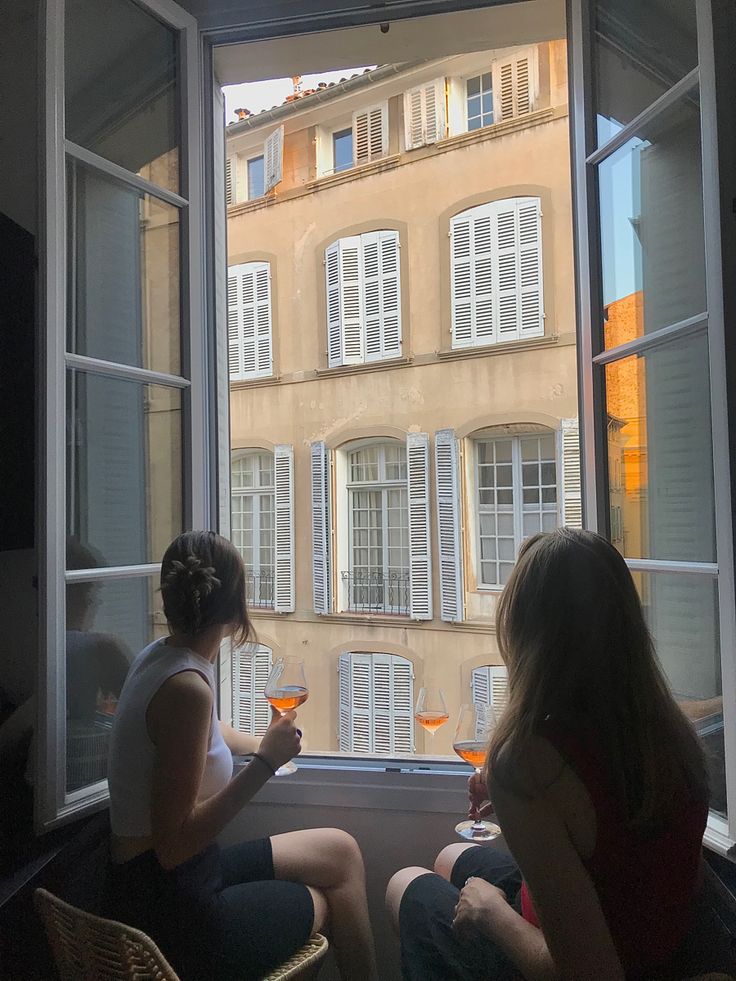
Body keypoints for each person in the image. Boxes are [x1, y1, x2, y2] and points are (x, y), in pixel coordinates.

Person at [386, 528, 709, 981]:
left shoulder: (527, 759)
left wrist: (490, 913)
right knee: (449, 858)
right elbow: (619, 843)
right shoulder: (666, 726)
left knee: (406, 884)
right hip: (659, 943)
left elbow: (587, 972)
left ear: (524, 631)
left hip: (605, 963)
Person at [104, 530, 377, 981]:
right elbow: (172, 848)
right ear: (234, 610)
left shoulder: (163, 656)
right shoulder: (187, 689)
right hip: (169, 907)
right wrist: (265, 764)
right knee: (323, 900)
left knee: (341, 853)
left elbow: (203, 736)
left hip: (170, 876)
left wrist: (258, 742)